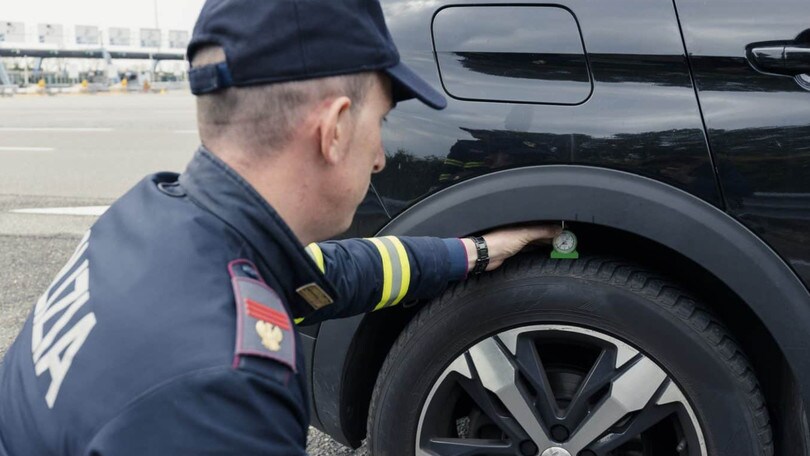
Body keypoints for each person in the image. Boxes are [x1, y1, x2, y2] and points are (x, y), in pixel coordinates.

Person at [0, 0, 560, 454]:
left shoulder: (155, 218)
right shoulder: (225, 384)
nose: (382, 156)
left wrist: (475, 252)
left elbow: (336, 275)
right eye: (380, 123)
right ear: (336, 128)